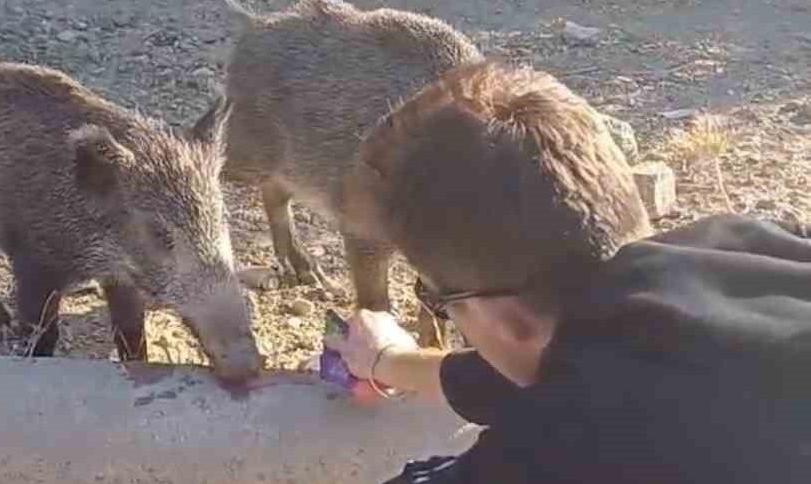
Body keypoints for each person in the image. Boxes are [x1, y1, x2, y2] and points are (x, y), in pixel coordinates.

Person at [329, 60, 811, 484]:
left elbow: (572, 396)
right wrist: (389, 361)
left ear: (509, 323)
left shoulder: (556, 452)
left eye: (438, 301)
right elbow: (581, 367)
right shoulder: (753, 250)